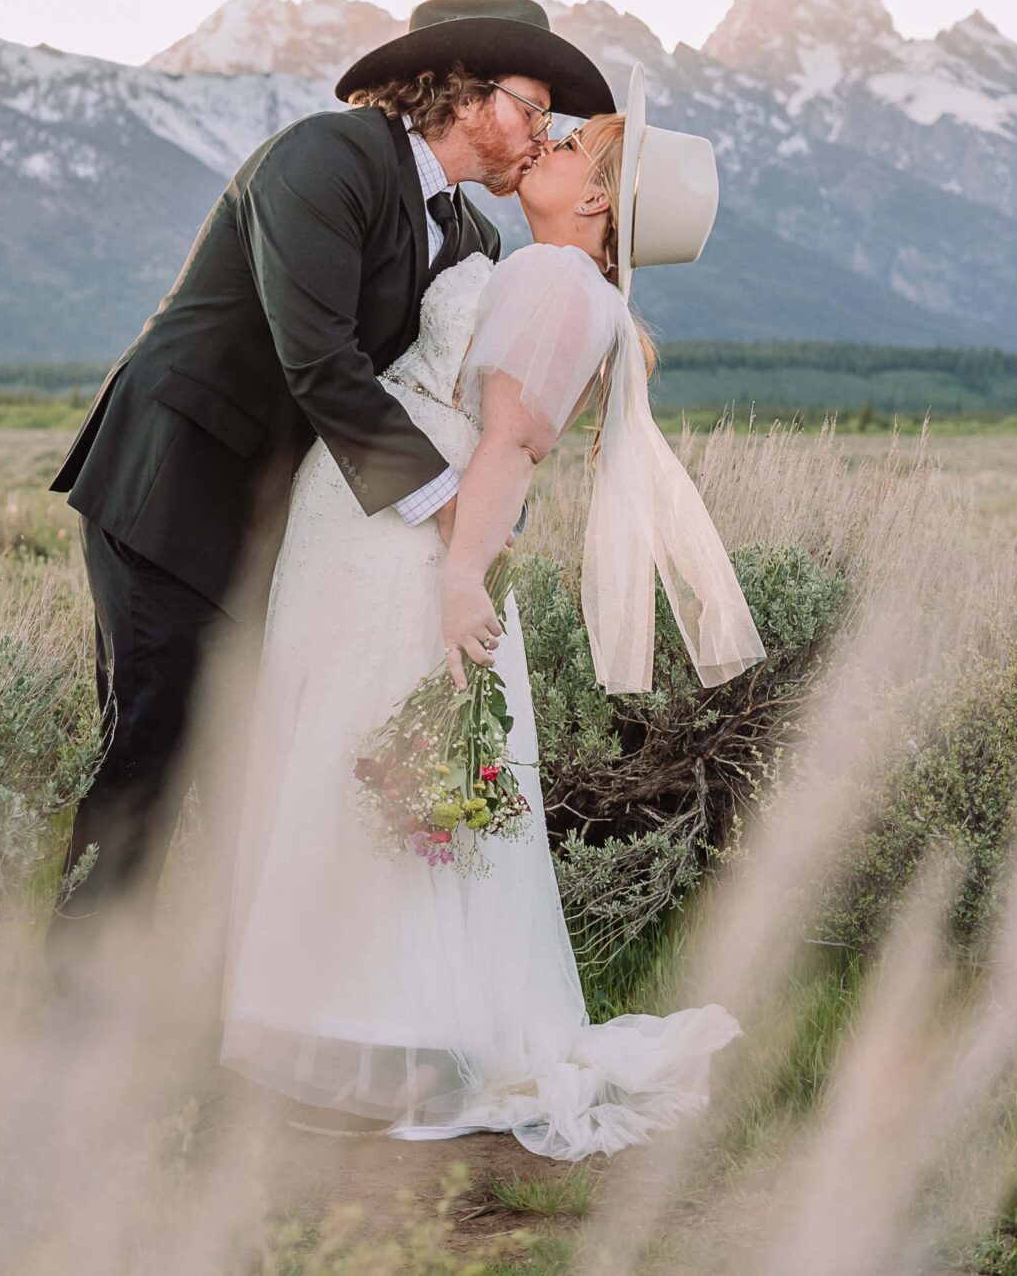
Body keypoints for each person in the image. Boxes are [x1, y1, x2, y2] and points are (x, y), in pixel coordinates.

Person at [217, 74, 767, 1160]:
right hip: (385, 523)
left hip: (408, 547)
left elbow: (508, 443)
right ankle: (359, 1030)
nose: (547, 145)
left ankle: (369, 1038)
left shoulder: (561, 280)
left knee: (366, 760)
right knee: (360, 760)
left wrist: (461, 577)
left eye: (572, 146)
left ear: (599, 204)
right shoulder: (548, 270)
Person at [47, 0, 616, 957]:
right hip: (173, 486)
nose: (542, 135)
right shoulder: (325, 157)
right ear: (469, 94)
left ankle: (208, 1001)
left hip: (287, 523)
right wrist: (443, 506)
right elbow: (318, 358)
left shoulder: (472, 239)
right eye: (534, 108)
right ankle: (73, 1004)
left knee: (246, 758)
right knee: (152, 746)